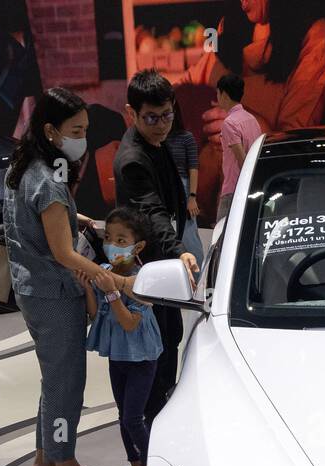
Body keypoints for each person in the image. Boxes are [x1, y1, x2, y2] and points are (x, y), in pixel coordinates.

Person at [3, 87, 124, 466]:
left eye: (86, 129)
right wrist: (112, 279)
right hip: (54, 292)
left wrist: (84, 220)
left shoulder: (24, 165)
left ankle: (44, 461)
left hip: (31, 287)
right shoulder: (49, 181)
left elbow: (46, 221)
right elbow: (63, 252)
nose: (83, 138)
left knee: (53, 377)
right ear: (51, 130)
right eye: (77, 129)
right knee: (66, 382)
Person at [178, 0, 325, 218]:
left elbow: (297, 143)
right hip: (200, 179)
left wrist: (250, 127)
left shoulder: (317, 38)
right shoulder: (232, 25)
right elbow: (189, 83)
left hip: (260, 191)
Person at [114, 70, 198, 439]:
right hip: (147, 274)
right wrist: (179, 250)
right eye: (152, 117)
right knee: (153, 354)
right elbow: (152, 213)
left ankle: (161, 420)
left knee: (168, 341)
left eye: (167, 115)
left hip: (160, 266)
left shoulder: (157, 143)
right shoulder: (133, 158)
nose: (162, 125)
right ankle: (149, 441)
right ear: (131, 112)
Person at [82, 208, 164, 466]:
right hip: (118, 355)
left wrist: (112, 292)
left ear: (137, 245)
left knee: (133, 417)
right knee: (122, 415)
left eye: (121, 239)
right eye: (108, 238)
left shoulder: (143, 278)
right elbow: (95, 314)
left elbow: (130, 322)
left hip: (141, 356)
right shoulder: (104, 270)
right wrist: (88, 288)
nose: (112, 244)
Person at [215, 73, 262, 220]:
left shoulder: (229, 123)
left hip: (234, 188)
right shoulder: (252, 119)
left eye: (217, 93)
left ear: (224, 94)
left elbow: (242, 160)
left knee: (221, 234)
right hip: (252, 186)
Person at [165, 98, 204, 265]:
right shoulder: (159, 139)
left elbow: (193, 167)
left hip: (183, 187)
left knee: (189, 233)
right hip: (164, 187)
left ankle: (199, 275)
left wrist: (192, 196)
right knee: (165, 232)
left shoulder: (186, 137)